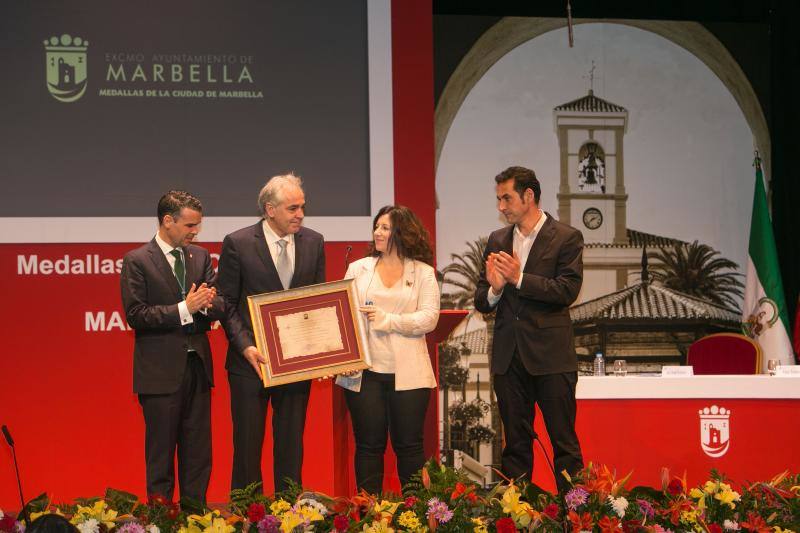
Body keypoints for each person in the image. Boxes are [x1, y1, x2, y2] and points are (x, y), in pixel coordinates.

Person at [473, 166, 584, 493]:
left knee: (564, 444)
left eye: (506, 198)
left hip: (551, 359)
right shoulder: (497, 239)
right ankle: (517, 518)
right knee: (515, 448)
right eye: (498, 199)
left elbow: (567, 291)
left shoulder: (566, 237)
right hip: (509, 360)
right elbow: (482, 299)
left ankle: (575, 517)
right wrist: (494, 290)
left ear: (529, 196)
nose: (501, 207)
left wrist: (519, 280)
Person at [217, 173, 325, 492]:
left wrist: (321, 352)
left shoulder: (314, 241)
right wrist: (245, 347)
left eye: (302, 207)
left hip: (296, 363)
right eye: (292, 208)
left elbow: (317, 302)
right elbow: (226, 303)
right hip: (250, 364)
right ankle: (247, 517)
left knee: (291, 446)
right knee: (248, 448)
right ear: (270, 209)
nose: (300, 215)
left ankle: (290, 515)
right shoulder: (237, 243)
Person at [120, 190, 223, 503]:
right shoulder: (137, 261)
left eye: (198, 225)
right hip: (159, 373)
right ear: (168, 221)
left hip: (197, 368)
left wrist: (206, 306)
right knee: (161, 453)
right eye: (190, 225)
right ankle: (162, 520)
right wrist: (185, 308)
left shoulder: (201, 257)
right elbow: (136, 314)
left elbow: (217, 304)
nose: (196, 231)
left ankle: (195, 517)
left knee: (198, 453)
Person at [336, 205, 439, 494]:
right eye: (376, 227)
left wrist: (388, 320)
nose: (378, 232)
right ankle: (369, 514)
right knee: (368, 446)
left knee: (409, 446)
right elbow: (344, 317)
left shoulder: (423, 273)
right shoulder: (358, 268)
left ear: (402, 232)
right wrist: (341, 357)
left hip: (410, 373)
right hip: (364, 372)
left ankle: (414, 516)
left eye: (385, 227)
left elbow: (429, 318)